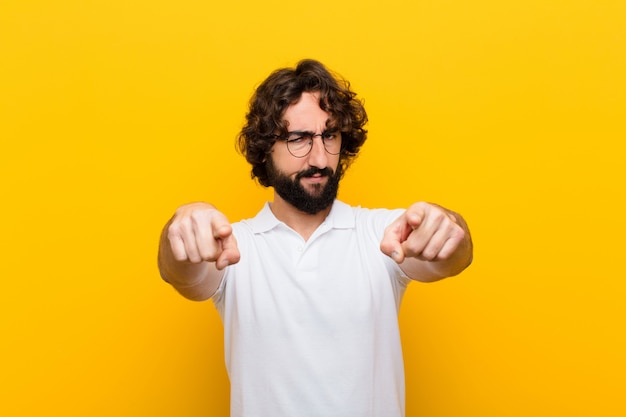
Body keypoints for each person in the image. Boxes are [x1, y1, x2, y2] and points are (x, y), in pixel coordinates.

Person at [158, 59, 473, 417]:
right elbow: (180, 272)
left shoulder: (382, 236)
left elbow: (453, 256)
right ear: (265, 149)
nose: (320, 158)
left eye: (330, 136)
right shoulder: (234, 246)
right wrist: (180, 230)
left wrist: (446, 226)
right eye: (298, 139)